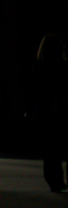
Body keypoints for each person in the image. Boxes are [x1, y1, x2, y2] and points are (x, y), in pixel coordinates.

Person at [29, 35, 68, 192]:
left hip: (45, 114)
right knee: (58, 150)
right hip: (62, 113)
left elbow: (32, 94)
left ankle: (54, 181)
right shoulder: (64, 67)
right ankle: (58, 180)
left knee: (50, 152)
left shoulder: (38, 67)